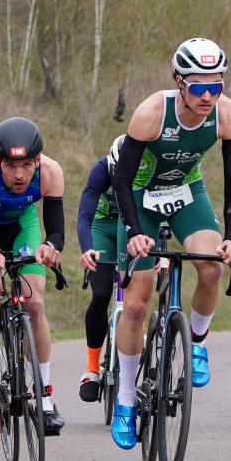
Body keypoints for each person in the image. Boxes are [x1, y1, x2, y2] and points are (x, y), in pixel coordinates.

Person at [109, 37, 231, 449]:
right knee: (136, 302)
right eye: (199, 86)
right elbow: (120, 179)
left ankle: (198, 343)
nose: (208, 95)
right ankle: (126, 400)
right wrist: (134, 233)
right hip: (139, 197)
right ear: (178, 81)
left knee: (212, 266)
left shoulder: (228, 115)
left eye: (216, 85)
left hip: (186, 191)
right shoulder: (152, 113)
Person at [0, 117, 67, 433]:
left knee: (34, 304)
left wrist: (50, 246)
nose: (19, 175)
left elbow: (56, 231)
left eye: (26, 165)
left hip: (23, 226)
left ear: (37, 161)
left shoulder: (50, 172)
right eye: (10, 166)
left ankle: (45, 398)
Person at [76, 135, 124, 402]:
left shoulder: (149, 171)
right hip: (103, 225)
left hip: (132, 227)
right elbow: (84, 216)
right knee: (102, 292)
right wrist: (87, 248)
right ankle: (92, 368)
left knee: (136, 295)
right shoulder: (101, 169)